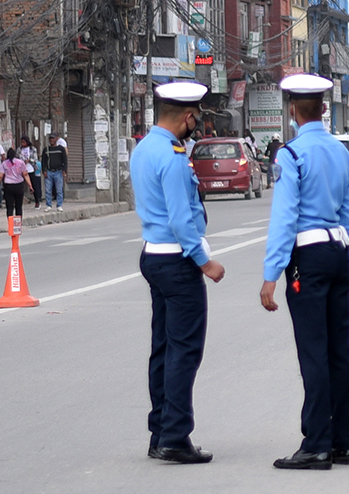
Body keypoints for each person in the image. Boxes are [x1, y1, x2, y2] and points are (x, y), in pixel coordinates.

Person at [259, 74, 349, 470]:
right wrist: (345, 254)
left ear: (292, 110)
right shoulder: (340, 151)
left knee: (313, 351)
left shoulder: (292, 154)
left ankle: (316, 443)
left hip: (309, 255)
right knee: (338, 350)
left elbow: (284, 218)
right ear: (321, 108)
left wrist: (272, 272)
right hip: (337, 250)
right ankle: (343, 442)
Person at [131, 81, 224, 465]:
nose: (197, 125)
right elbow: (180, 218)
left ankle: (159, 432)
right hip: (177, 260)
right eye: (197, 118)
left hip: (153, 255)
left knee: (163, 348)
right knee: (184, 350)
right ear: (187, 116)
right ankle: (175, 436)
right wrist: (206, 262)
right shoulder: (171, 156)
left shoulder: (143, 148)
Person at [0, 148, 33, 218]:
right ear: (15, 154)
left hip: (8, 186)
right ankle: (18, 225)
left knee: (9, 207)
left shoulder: (4, 163)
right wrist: (30, 186)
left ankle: (10, 225)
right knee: (19, 207)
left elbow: (0, 176)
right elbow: (25, 174)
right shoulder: (21, 162)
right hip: (19, 186)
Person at [41, 134, 67, 212]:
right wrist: (44, 171)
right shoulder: (46, 149)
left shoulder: (61, 149)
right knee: (48, 190)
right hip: (49, 171)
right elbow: (43, 161)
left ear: (56, 139)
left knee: (59, 189)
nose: (51, 140)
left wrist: (64, 170)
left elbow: (65, 160)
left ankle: (59, 205)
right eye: (50, 138)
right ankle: (49, 205)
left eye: (53, 138)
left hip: (58, 171)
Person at [20, 137, 42, 210]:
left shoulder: (32, 149)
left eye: (24, 142)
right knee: (20, 186)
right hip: (22, 170)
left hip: (31, 169)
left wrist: (29, 160)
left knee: (34, 185)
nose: (22, 144)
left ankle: (37, 201)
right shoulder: (19, 149)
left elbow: (35, 159)